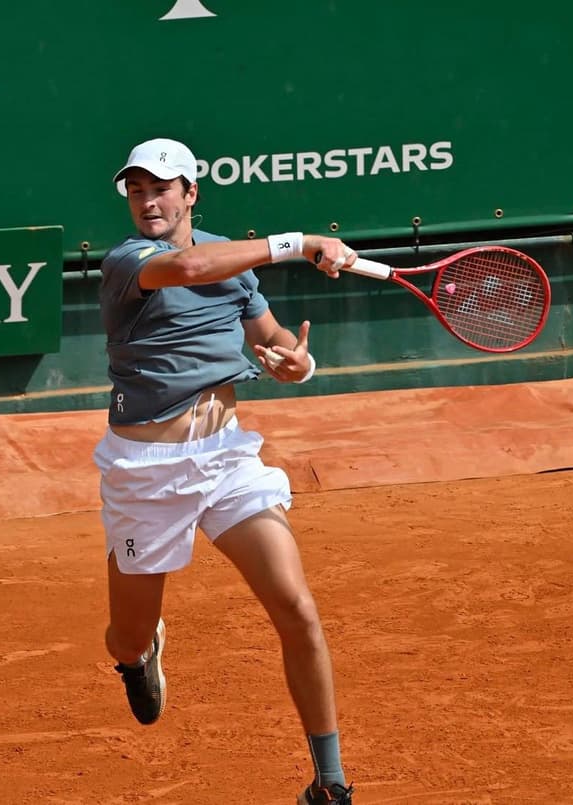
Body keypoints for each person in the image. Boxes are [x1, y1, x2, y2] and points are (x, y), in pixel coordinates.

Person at [93, 137, 356, 805]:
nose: (148, 201)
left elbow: (270, 339)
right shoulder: (132, 261)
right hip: (145, 472)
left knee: (296, 607)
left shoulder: (232, 267)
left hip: (226, 458)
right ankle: (139, 653)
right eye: (137, 190)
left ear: (191, 193)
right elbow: (189, 266)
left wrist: (298, 362)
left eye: (162, 188)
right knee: (124, 634)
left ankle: (329, 782)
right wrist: (299, 242)